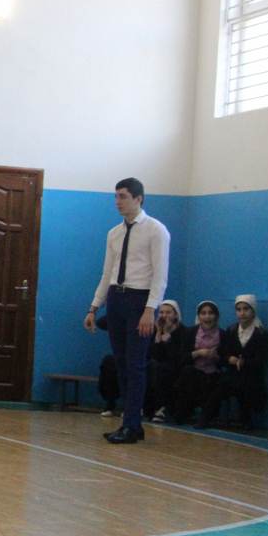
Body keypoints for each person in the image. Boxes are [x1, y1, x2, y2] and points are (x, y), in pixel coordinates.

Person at [84, 178, 170, 444]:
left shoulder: (156, 230)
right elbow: (107, 272)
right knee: (120, 362)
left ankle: (132, 423)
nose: (117, 202)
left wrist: (150, 309)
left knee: (135, 364)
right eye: (116, 196)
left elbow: (160, 275)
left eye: (122, 196)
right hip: (116, 297)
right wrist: (94, 306)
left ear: (138, 198)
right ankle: (130, 422)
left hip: (139, 299)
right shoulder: (114, 233)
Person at [199, 295, 268, 430]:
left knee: (245, 385)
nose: (242, 313)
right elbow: (223, 353)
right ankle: (205, 418)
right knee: (220, 387)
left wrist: (244, 363)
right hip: (232, 375)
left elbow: (261, 360)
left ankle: (246, 420)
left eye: (246, 309)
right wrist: (229, 359)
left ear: (253, 311)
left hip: (252, 376)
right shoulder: (231, 330)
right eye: (239, 309)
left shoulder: (261, 333)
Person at [170, 301, 223, 426]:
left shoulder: (223, 334)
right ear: (198, 316)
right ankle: (182, 412)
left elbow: (225, 359)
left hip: (213, 373)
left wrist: (216, 357)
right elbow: (182, 358)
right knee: (187, 373)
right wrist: (198, 353)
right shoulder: (190, 332)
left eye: (210, 313)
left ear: (216, 316)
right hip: (194, 372)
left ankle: (206, 416)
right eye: (203, 313)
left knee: (219, 382)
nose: (207, 317)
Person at [147, 300, 185, 423]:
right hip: (157, 365)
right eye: (161, 312)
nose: (164, 315)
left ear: (175, 315)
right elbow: (154, 354)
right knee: (151, 367)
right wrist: (159, 334)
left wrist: (168, 338)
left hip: (175, 367)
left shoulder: (182, 331)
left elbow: (176, 357)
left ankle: (163, 408)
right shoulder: (155, 330)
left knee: (161, 369)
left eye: (168, 312)